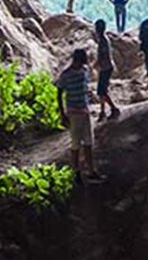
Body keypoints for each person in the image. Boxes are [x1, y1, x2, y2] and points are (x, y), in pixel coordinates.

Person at [56, 48, 103, 181]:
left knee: (88, 142)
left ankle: (90, 170)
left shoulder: (84, 71)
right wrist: (63, 113)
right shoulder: (66, 74)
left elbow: (85, 89)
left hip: (84, 111)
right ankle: (76, 171)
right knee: (75, 143)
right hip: (73, 112)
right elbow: (59, 94)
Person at [93, 19, 120, 121]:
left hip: (106, 67)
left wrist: (95, 64)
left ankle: (113, 109)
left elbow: (103, 56)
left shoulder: (103, 41)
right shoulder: (103, 40)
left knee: (102, 91)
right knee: (101, 91)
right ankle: (103, 111)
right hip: (105, 67)